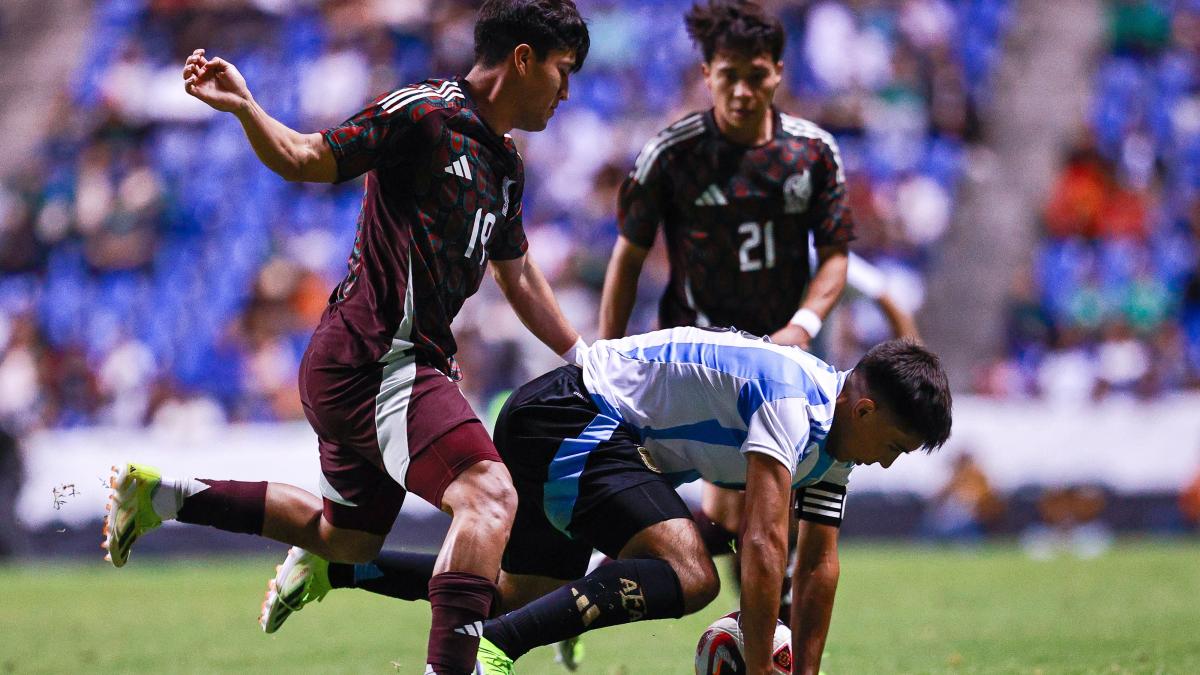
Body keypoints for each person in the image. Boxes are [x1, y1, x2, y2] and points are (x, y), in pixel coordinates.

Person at [101, 3, 590, 674]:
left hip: (375, 363)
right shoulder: (423, 114)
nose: (568, 90)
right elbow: (306, 157)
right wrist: (247, 107)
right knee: (488, 493)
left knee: (345, 539)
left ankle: (163, 496)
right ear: (525, 59)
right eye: (564, 70)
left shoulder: (504, 163)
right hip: (376, 359)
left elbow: (520, 272)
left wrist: (581, 355)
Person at [252, 326, 952, 675]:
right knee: (693, 572)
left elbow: (819, 565)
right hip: (571, 413)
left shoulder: (834, 443)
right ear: (864, 407)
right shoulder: (794, 400)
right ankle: (490, 650)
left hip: (592, 432)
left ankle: (334, 569)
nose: (888, 460)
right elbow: (767, 543)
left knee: (516, 593)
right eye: (893, 442)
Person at [596, 0, 854, 637]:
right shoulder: (671, 153)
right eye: (727, 75)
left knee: (772, 517)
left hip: (787, 357)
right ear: (707, 73)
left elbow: (838, 258)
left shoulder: (813, 154)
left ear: (780, 73)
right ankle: (761, 636)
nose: (742, 90)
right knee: (746, 515)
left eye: (757, 74)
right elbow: (628, 258)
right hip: (700, 359)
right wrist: (602, 354)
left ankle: (760, 636)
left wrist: (802, 325)